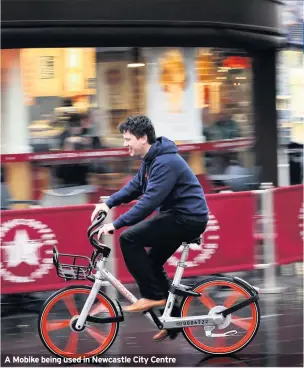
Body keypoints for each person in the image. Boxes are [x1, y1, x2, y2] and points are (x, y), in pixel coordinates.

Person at [91, 115, 209, 341]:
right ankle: (173, 320)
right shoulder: (151, 159)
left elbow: (149, 202)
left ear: (143, 137)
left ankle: (152, 296)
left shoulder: (165, 162)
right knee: (152, 262)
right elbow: (136, 187)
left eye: (128, 139)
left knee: (129, 239)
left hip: (187, 218)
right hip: (177, 216)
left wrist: (116, 224)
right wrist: (107, 203)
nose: (125, 144)